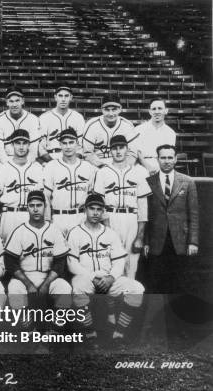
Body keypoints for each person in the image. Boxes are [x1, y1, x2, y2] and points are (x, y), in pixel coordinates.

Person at [68, 194, 144, 344]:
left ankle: (118, 334)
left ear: (103, 212)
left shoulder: (110, 233)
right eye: (92, 209)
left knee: (137, 288)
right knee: (77, 288)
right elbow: (72, 264)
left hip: (109, 279)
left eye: (99, 209)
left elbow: (119, 262)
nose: (95, 213)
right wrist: (92, 278)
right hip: (86, 278)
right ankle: (90, 334)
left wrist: (111, 278)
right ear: (85, 210)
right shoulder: (75, 232)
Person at [5, 191, 72, 328]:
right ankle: (29, 331)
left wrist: (47, 283)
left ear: (45, 206)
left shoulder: (54, 230)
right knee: (14, 289)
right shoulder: (19, 231)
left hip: (49, 276)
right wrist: (28, 284)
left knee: (64, 288)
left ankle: (54, 330)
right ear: (27, 207)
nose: (35, 209)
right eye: (31, 205)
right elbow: (10, 262)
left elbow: (60, 262)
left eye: (39, 205)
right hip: (24, 276)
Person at [93, 135, 150, 279]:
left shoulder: (139, 172)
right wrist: (107, 229)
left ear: (127, 149)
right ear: (110, 151)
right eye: (114, 148)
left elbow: (142, 206)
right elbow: (100, 204)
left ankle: (128, 298)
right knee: (111, 262)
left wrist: (140, 236)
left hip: (131, 218)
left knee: (131, 263)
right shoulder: (102, 172)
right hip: (111, 217)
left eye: (121, 147)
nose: (118, 151)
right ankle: (112, 300)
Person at [144, 144, 199, 294]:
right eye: (163, 157)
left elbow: (193, 215)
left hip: (180, 240)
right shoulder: (149, 182)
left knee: (179, 283)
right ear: (157, 159)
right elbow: (146, 215)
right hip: (157, 240)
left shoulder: (188, 182)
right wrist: (146, 241)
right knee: (156, 284)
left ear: (175, 159)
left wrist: (193, 241)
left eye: (170, 157)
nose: (166, 161)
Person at [0, 129, 45, 243]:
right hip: (9, 214)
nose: (21, 147)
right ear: (12, 145)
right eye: (18, 143)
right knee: (7, 253)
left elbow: (42, 197)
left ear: (29, 145)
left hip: (30, 215)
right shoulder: (3, 168)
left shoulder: (37, 168)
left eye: (24, 143)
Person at [43, 128, 96, 236]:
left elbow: (92, 197)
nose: (68, 146)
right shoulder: (51, 166)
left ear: (77, 143)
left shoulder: (88, 167)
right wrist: (47, 221)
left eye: (71, 142)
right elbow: (46, 198)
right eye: (64, 143)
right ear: (60, 145)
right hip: (58, 217)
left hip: (81, 216)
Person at [82, 94, 137, 167]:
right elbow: (87, 154)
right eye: (107, 110)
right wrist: (102, 166)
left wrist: (122, 166)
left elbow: (132, 154)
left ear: (120, 109)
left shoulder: (127, 125)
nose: (111, 114)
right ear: (102, 110)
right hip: (97, 164)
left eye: (114, 109)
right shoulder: (92, 125)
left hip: (122, 163)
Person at [0, 86, 42, 165]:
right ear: (7, 102)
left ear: (22, 101)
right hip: (6, 159)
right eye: (11, 101)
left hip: (27, 159)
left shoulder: (33, 119)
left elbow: (33, 148)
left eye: (17, 100)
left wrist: (27, 164)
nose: (14, 104)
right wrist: (9, 165)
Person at [39, 86, 85, 162]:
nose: (63, 99)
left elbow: (81, 146)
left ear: (71, 97)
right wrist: (52, 163)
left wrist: (72, 161)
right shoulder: (44, 117)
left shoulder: (78, 117)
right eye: (60, 96)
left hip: (73, 158)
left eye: (66, 96)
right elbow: (41, 147)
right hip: (52, 156)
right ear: (55, 97)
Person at [134, 98, 177, 174]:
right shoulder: (139, 130)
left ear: (166, 111)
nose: (157, 112)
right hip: (142, 165)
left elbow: (169, 155)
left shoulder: (170, 133)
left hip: (162, 165)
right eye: (154, 109)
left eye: (160, 108)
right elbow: (138, 154)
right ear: (150, 112)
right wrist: (148, 167)